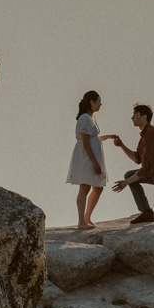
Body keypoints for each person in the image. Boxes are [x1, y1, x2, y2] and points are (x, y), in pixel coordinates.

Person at [65, 90, 107, 228]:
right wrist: (94, 163)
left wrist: (108, 137)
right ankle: (81, 221)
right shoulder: (85, 118)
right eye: (99, 101)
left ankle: (86, 217)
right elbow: (86, 142)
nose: (101, 104)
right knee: (85, 187)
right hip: (86, 158)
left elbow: (92, 138)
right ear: (92, 102)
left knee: (97, 187)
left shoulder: (90, 117)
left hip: (90, 155)